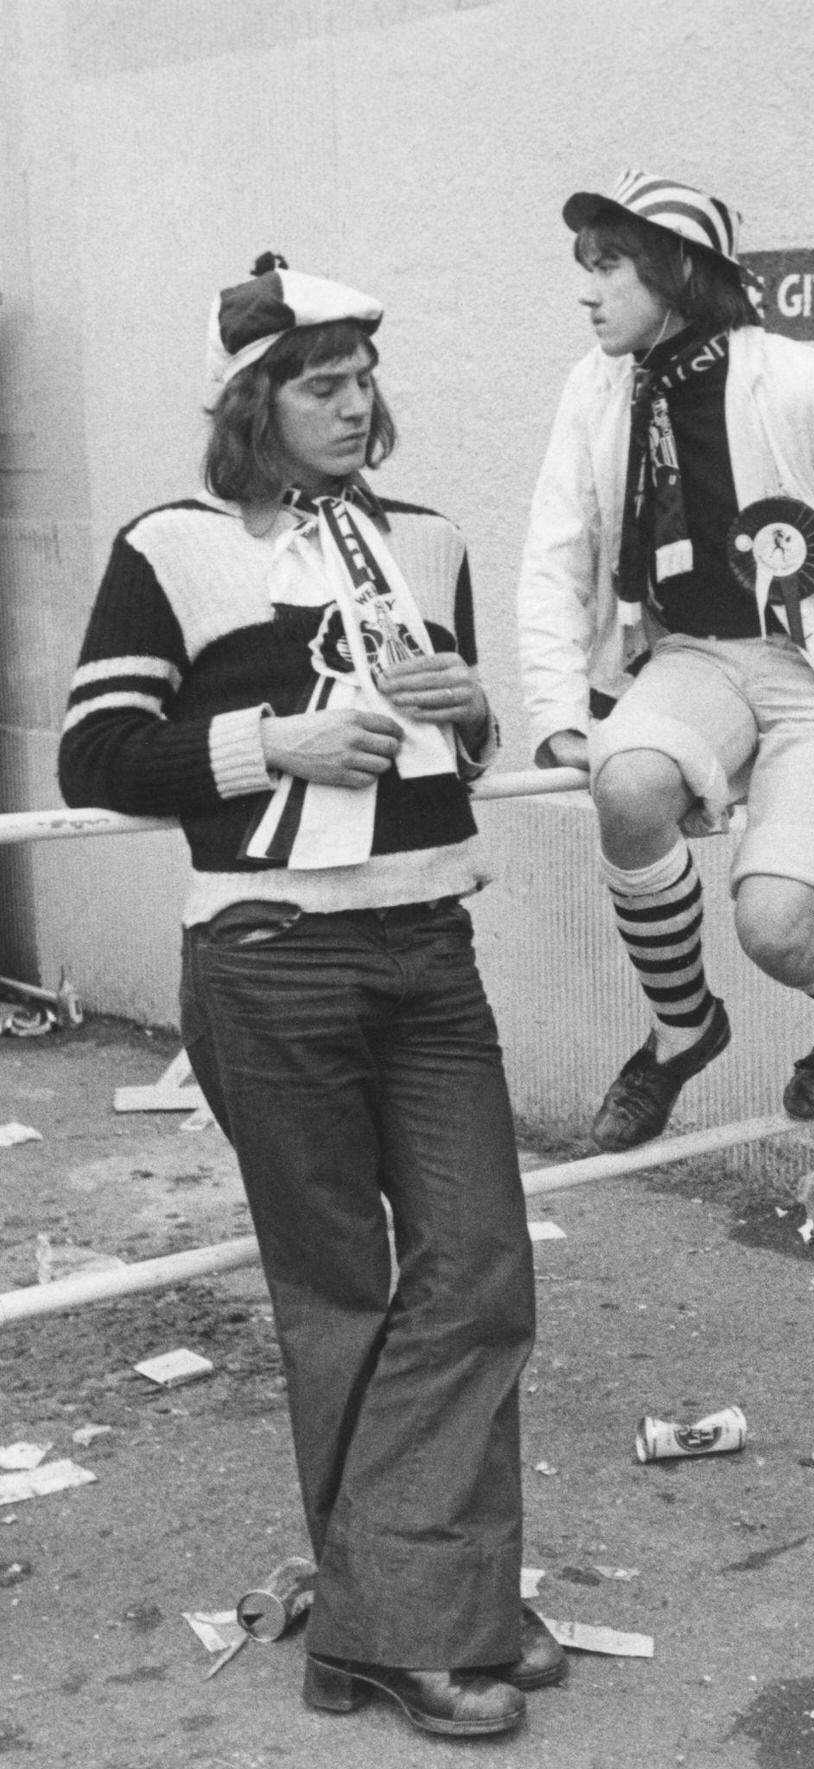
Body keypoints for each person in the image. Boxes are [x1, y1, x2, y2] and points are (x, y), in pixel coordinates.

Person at [59, 256, 564, 1737]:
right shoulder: (176, 545)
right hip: (272, 957)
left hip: (428, 947)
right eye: (320, 385)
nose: (354, 408)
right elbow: (97, 759)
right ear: (253, 402)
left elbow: (438, 761)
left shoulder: (430, 539)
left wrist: (475, 724)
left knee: (479, 1267)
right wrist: (270, 743)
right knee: (338, 1295)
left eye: (362, 383)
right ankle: (419, 1617)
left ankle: (392, 1610)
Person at [518, 170, 814, 1152]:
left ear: (679, 271)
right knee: (623, 783)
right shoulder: (595, 386)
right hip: (695, 655)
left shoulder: (806, 387)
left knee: (778, 925)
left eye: (609, 266)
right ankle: (680, 1028)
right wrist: (556, 713)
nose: (587, 291)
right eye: (585, 268)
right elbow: (553, 552)